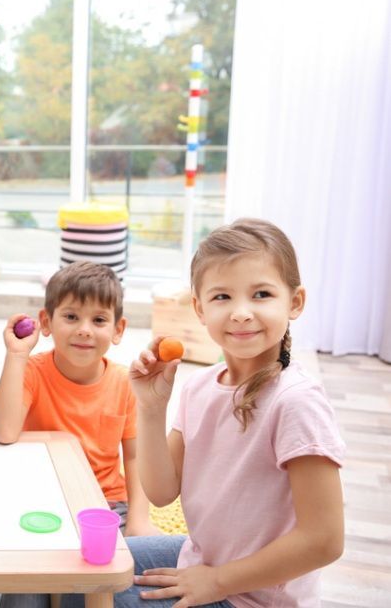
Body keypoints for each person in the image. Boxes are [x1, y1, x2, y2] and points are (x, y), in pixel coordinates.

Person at [118, 218, 345, 608]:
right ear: (199, 308)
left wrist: (219, 582)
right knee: (78, 572)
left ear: (294, 302)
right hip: (203, 561)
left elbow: (324, 540)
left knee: (93, 596)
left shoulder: (295, 402)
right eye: (222, 297)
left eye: (260, 294)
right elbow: (160, 492)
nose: (240, 312)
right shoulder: (198, 387)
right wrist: (152, 409)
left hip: (252, 597)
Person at [0, 260, 157, 608]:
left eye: (98, 320)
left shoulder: (126, 382)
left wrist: (139, 518)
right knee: (23, 601)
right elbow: (3, 432)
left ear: (118, 329)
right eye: (71, 317)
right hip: (38, 502)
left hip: (107, 505)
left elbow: (136, 455)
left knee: (88, 592)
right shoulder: (32, 371)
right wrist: (17, 355)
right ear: (46, 322)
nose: (84, 330)